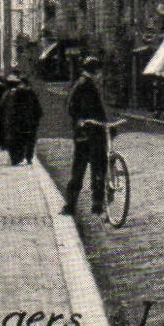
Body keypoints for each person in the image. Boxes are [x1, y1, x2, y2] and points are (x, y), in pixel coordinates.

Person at [63, 57, 109, 215]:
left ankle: (72, 204)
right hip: (91, 133)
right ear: (96, 71)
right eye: (99, 71)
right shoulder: (86, 84)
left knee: (80, 169)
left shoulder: (83, 83)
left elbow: (71, 108)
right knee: (97, 167)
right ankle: (95, 203)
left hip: (84, 133)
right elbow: (74, 108)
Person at [4, 75, 44, 165]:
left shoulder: (15, 94)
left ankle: (18, 158)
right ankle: (28, 157)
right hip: (30, 120)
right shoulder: (31, 93)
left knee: (20, 139)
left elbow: (12, 107)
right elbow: (37, 108)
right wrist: (36, 119)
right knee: (30, 140)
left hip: (19, 121)